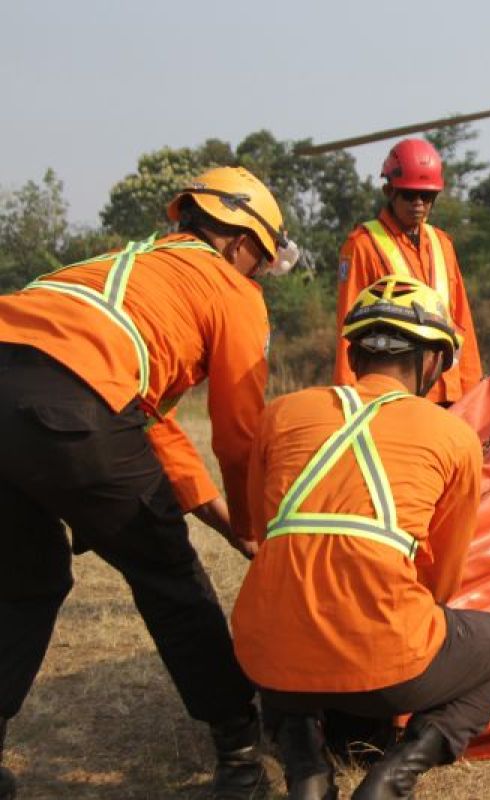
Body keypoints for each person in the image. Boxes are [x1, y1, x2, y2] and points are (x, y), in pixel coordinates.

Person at [0, 166, 300, 799]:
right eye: (261, 262)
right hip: (72, 403)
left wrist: (223, 522)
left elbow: (148, 420)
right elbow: (239, 435)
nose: (256, 275)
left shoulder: (117, 268)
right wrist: (253, 527)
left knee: (25, 580)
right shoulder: (229, 287)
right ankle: (242, 754)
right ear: (242, 242)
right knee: (169, 576)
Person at [232, 276, 490, 800]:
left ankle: (306, 767)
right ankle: (395, 776)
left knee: (283, 631)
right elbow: (441, 579)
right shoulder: (454, 436)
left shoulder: (279, 414)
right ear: (434, 362)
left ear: (352, 352)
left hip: (266, 658)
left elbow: (263, 531)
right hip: (388, 663)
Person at [333, 138, 482, 405]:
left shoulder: (442, 244)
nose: (419, 203)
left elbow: (462, 322)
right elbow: (349, 326)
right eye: (410, 194)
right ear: (389, 190)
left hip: (449, 393)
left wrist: (473, 395)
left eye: (427, 196)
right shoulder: (362, 245)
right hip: (396, 394)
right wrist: (351, 400)